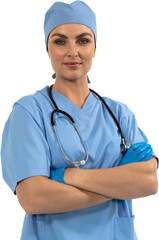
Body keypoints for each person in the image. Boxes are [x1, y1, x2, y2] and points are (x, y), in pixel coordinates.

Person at [1, 1, 158, 239]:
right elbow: (34, 198)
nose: (72, 51)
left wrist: (67, 176)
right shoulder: (29, 111)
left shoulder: (118, 113)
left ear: (95, 48)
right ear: (47, 49)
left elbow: (148, 182)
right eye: (60, 41)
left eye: (83, 40)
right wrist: (120, 186)